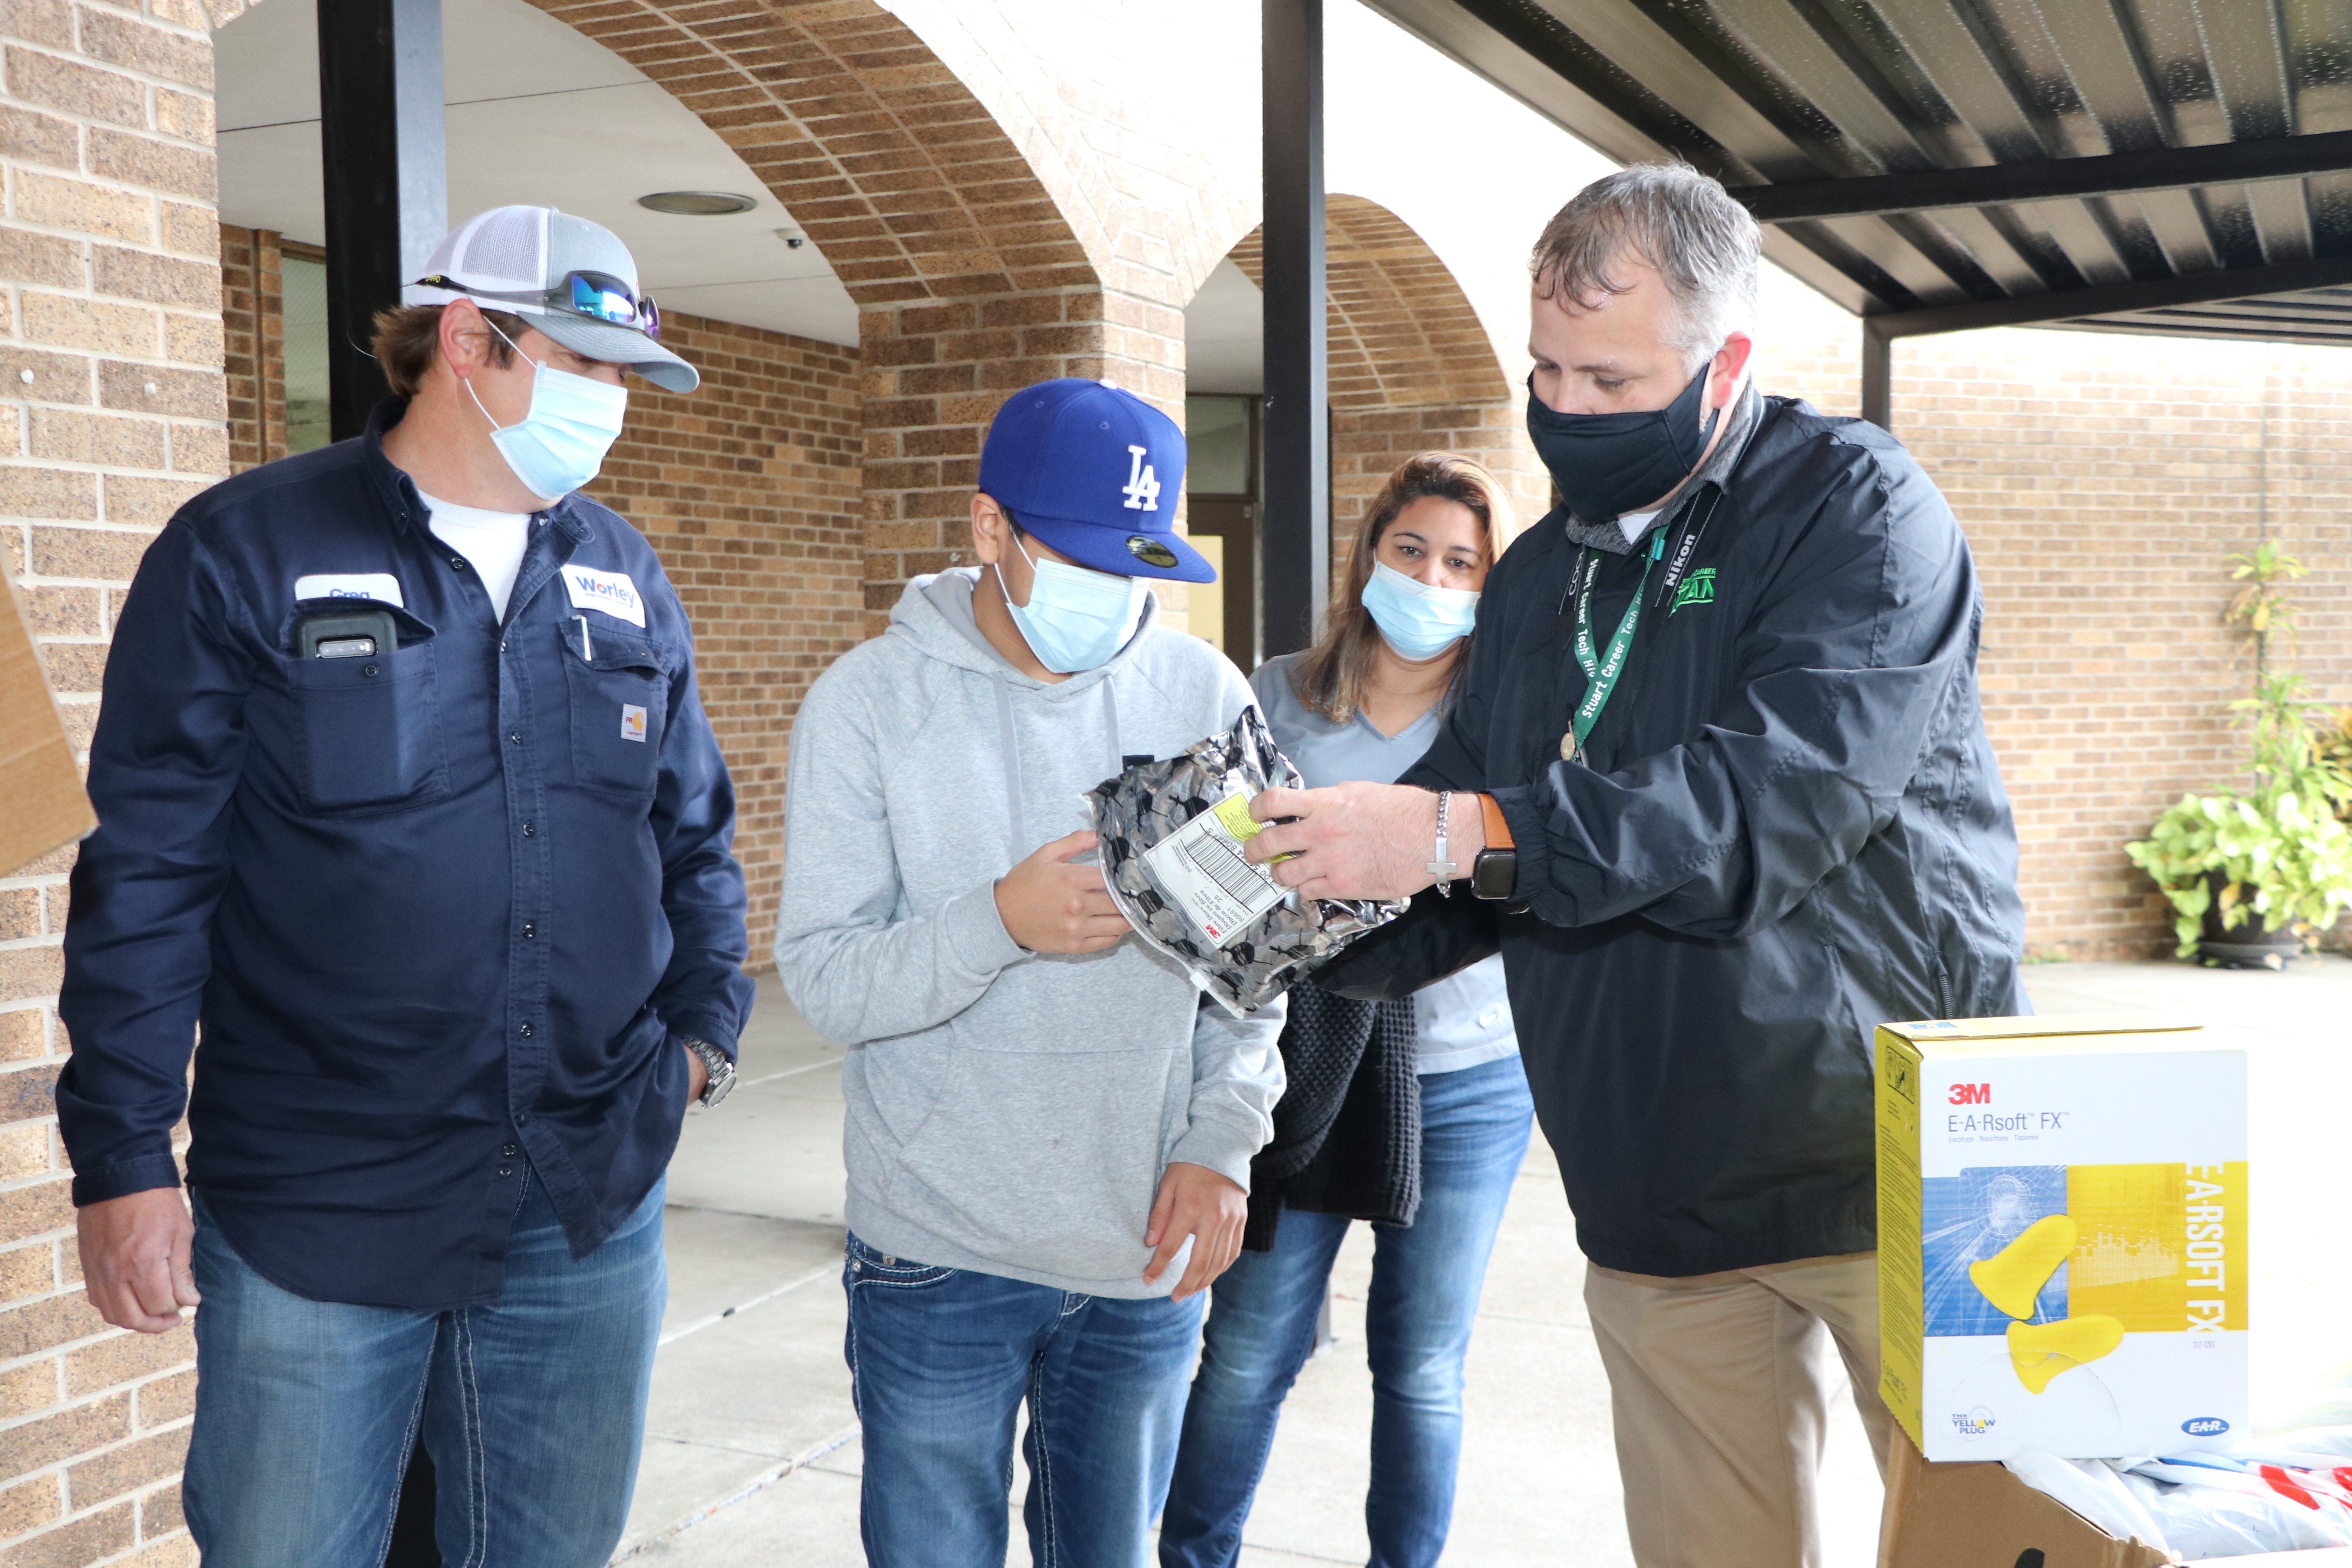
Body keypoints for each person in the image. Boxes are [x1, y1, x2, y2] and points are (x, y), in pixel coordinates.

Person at [1239, 164, 2028, 1567]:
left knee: (1994, 1542)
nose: (1568, 411)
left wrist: (1450, 836)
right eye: (1546, 372)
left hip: (1892, 1157)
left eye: (1611, 379)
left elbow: (1773, 803)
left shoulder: (1854, 508)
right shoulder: (1540, 575)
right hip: (1649, 1172)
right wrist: (1275, 918)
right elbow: (1467, 835)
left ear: (1726, 363)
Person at [57, 205, 754, 1567]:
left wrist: (699, 1050)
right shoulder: (243, 550)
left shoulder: (619, 569)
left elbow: (695, 840)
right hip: (325, 1202)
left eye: (626, 378)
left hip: (584, 1198)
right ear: (466, 341)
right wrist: (124, 1159)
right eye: (586, 365)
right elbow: (147, 876)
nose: (611, 405)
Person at [772, 377, 1287, 1568]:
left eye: (1142, 565)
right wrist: (997, 922)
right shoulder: (867, 706)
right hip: (936, 1251)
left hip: (1140, 1249)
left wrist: (1222, 1144)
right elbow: (831, 981)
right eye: (1086, 558)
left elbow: (1253, 967)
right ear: (988, 529)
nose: (1117, 595)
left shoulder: (1204, 698)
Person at [1158, 453, 1534, 1568]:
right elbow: (1214, 877)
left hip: (1467, 1072)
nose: (1431, 577)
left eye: (1464, 563)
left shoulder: (1513, 720)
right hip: (1300, 1060)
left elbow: (1536, 879)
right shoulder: (1277, 694)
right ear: (1371, 552)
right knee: (1249, 1348)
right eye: (1412, 549)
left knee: (1420, 1364)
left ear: (1491, 586)